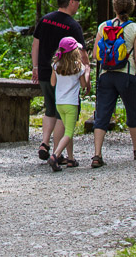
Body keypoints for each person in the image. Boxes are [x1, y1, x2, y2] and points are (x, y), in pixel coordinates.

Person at [91, 0, 136, 168]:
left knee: (102, 115)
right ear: (131, 8)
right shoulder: (135, 29)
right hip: (127, 76)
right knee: (132, 112)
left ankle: (97, 155)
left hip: (106, 75)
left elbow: (95, 55)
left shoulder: (103, 27)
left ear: (114, 8)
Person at [31, 0, 85, 162]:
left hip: (46, 73)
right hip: (64, 77)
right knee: (62, 114)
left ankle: (44, 143)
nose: (78, 4)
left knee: (50, 109)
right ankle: (57, 153)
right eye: (77, 0)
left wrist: (35, 67)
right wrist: (86, 70)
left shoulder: (45, 20)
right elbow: (82, 53)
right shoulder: (73, 26)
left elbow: (35, 44)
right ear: (71, 2)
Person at [47, 37, 90, 171]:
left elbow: (52, 83)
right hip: (71, 104)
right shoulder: (79, 67)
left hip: (59, 103)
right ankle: (55, 155)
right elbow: (83, 85)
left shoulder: (56, 65)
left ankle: (71, 158)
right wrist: (87, 73)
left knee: (67, 130)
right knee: (69, 133)